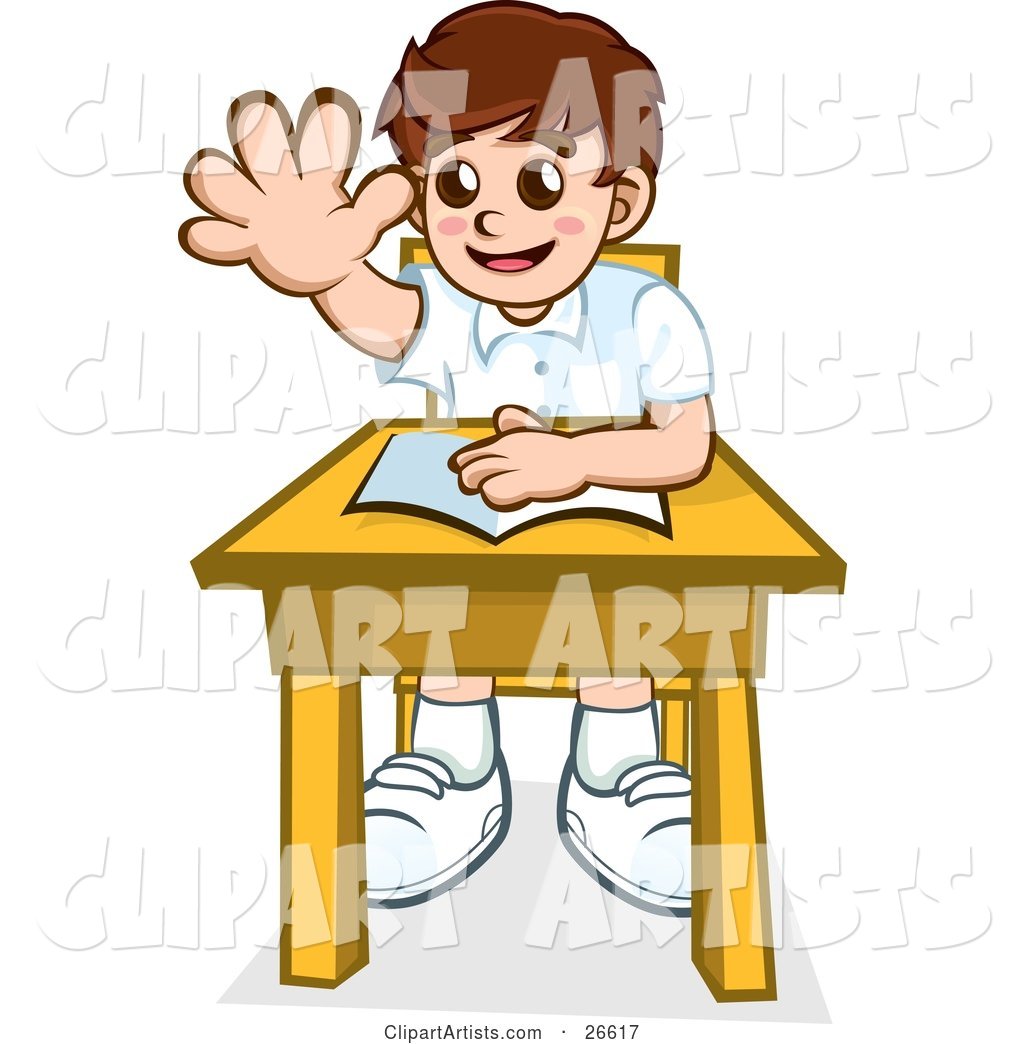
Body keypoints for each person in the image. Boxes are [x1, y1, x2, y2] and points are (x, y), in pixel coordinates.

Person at [180, 1, 714, 917]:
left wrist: (577, 465)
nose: (494, 220)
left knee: (622, 609)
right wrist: (317, 268)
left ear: (618, 203)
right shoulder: (438, 301)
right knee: (434, 604)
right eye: (458, 187)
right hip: (455, 562)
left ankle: (621, 761)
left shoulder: (646, 312)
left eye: (541, 186)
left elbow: (686, 444)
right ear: (419, 194)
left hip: (611, 561)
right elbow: (377, 313)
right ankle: (449, 761)